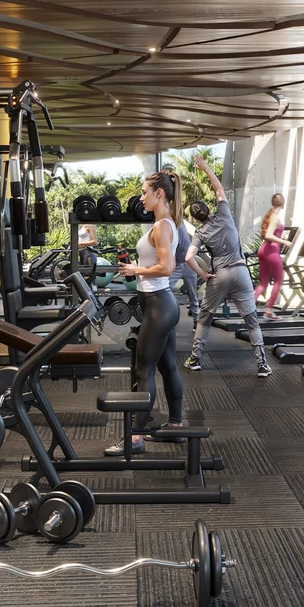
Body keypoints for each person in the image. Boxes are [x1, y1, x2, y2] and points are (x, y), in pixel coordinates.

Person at [105, 170, 187, 455]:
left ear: (159, 194)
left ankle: (136, 437)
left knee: (144, 369)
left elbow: (166, 267)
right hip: (160, 304)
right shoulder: (164, 224)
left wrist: (135, 269)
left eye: (144, 192)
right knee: (167, 367)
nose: (141, 197)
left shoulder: (162, 226)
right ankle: (175, 426)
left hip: (159, 305)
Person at [184, 155, 272, 378]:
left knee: (205, 317)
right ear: (208, 209)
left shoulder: (200, 232)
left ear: (195, 218)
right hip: (241, 272)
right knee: (251, 320)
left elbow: (188, 258)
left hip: (220, 275)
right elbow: (219, 187)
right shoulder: (224, 213)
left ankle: (195, 359)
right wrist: (204, 168)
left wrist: (204, 274)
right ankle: (262, 365)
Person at [253, 192, 292, 320]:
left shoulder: (271, 214)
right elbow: (269, 235)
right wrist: (284, 241)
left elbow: (270, 233)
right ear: (283, 203)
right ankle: (269, 311)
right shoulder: (275, 216)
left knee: (263, 282)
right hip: (271, 250)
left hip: (263, 249)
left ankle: (248, 306)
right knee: (278, 281)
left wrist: (281, 236)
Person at [168, 217, 201, 319]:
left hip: (187, 263)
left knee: (193, 295)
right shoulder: (168, 224)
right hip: (176, 264)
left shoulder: (179, 222)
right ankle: (168, 318)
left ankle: (197, 321)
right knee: (165, 291)